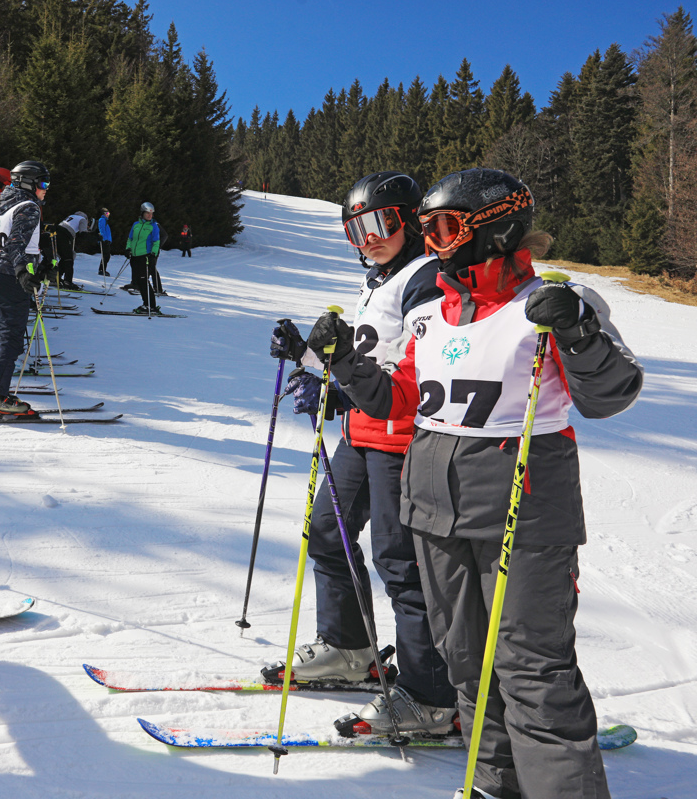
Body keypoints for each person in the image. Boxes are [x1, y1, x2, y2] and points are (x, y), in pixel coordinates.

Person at [303, 168, 642, 799]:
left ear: (496, 229)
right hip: (434, 505)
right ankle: (496, 783)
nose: (434, 243)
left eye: (446, 227)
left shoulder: (551, 304)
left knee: (529, 665)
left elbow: (612, 393)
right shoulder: (431, 314)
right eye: (427, 229)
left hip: (522, 504)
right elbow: (395, 398)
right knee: (466, 660)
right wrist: (343, 360)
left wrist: (575, 330)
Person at [268, 172, 455, 738]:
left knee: (402, 566)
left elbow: (416, 367)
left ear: (409, 220)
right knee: (328, 533)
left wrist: (345, 378)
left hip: (401, 442)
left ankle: (430, 694)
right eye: (355, 229)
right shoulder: (381, 279)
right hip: (362, 433)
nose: (367, 237)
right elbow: (370, 354)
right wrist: (310, 357)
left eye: (379, 223)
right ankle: (351, 648)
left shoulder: (425, 277)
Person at [0, 160, 52, 415]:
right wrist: (23, 272)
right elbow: (16, 245)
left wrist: (40, 267)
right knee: (10, 338)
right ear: (28, 183)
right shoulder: (29, 207)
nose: (46, 189)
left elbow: (13, 243)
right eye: (43, 183)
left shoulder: (4, 203)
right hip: (10, 277)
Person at [125, 202, 161, 313]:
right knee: (139, 282)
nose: (150, 216)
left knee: (144, 281)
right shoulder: (136, 225)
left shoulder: (153, 226)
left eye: (151, 214)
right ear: (142, 213)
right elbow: (130, 239)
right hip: (134, 257)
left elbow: (156, 242)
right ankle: (146, 304)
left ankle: (151, 306)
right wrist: (128, 249)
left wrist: (153, 255)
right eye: (147, 213)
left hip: (145, 257)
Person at [54, 211, 90, 290]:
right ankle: (68, 282)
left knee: (67, 256)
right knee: (68, 258)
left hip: (55, 233)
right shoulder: (83, 219)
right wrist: (95, 237)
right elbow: (83, 233)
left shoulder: (72, 216)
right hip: (64, 235)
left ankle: (55, 277)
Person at [97, 207, 113, 276]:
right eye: (107, 213)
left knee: (107, 255)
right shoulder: (102, 220)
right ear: (103, 214)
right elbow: (102, 230)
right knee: (106, 255)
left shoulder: (105, 220)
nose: (108, 214)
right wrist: (104, 239)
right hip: (105, 240)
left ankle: (102, 269)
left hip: (107, 240)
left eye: (108, 213)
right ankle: (102, 270)